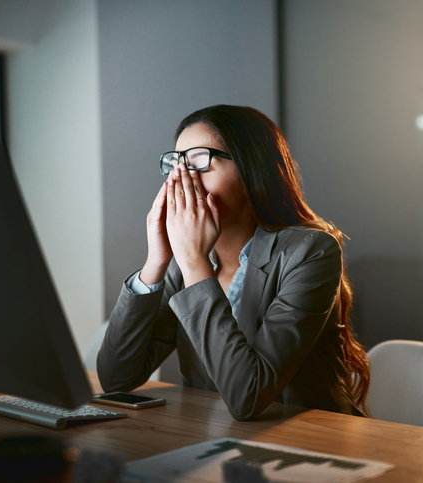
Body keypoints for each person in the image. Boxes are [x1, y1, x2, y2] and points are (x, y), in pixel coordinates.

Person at [97, 105, 369, 420]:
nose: (184, 180)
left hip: (308, 444)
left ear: (252, 168)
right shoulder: (182, 263)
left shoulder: (311, 251)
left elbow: (249, 397)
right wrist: (155, 262)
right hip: (217, 440)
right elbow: (115, 380)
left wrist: (194, 262)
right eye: (178, 164)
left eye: (199, 162)